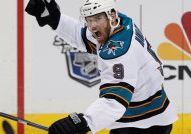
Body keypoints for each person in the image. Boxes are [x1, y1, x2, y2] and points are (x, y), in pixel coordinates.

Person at [25, 0, 178, 133]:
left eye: (97, 18)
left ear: (111, 15)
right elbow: (83, 36)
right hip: (143, 115)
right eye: (89, 20)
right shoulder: (120, 24)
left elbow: (114, 100)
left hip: (145, 124)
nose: (92, 26)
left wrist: (82, 122)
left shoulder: (119, 52)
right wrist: (55, 19)